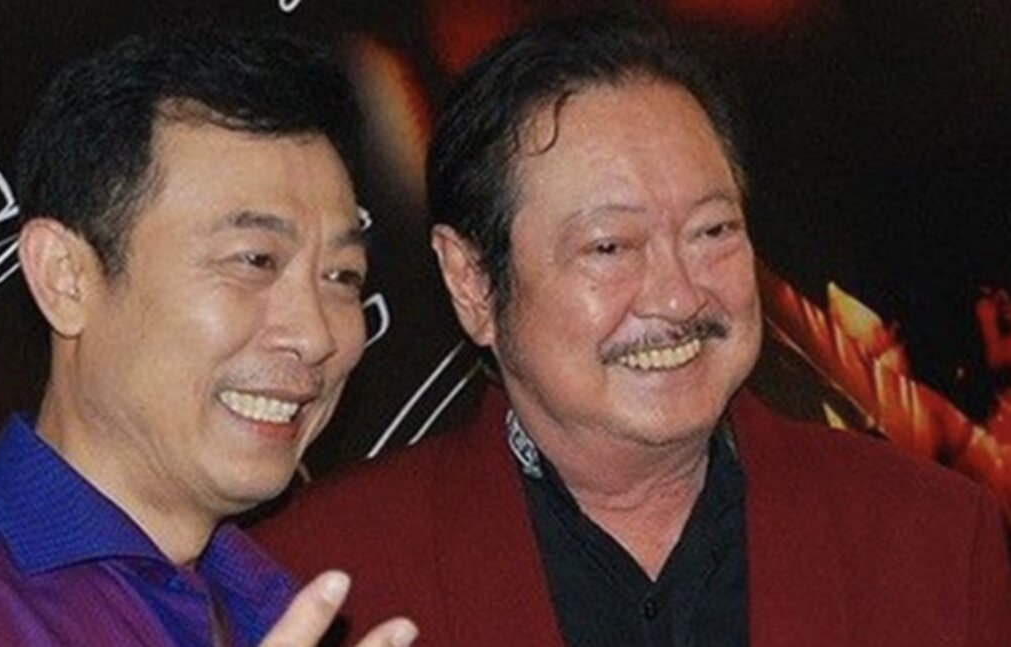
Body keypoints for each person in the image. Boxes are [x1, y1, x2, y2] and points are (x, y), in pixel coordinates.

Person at [250, 12, 1011, 646]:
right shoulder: (314, 574)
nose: (678, 296)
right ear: (472, 281)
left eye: (712, 231)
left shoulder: (934, 535)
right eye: (610, 247)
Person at [0, 27, 416, 647]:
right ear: (66, 277)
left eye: (342, 276)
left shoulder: (265, 600)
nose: (315, 335)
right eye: (255, 260)